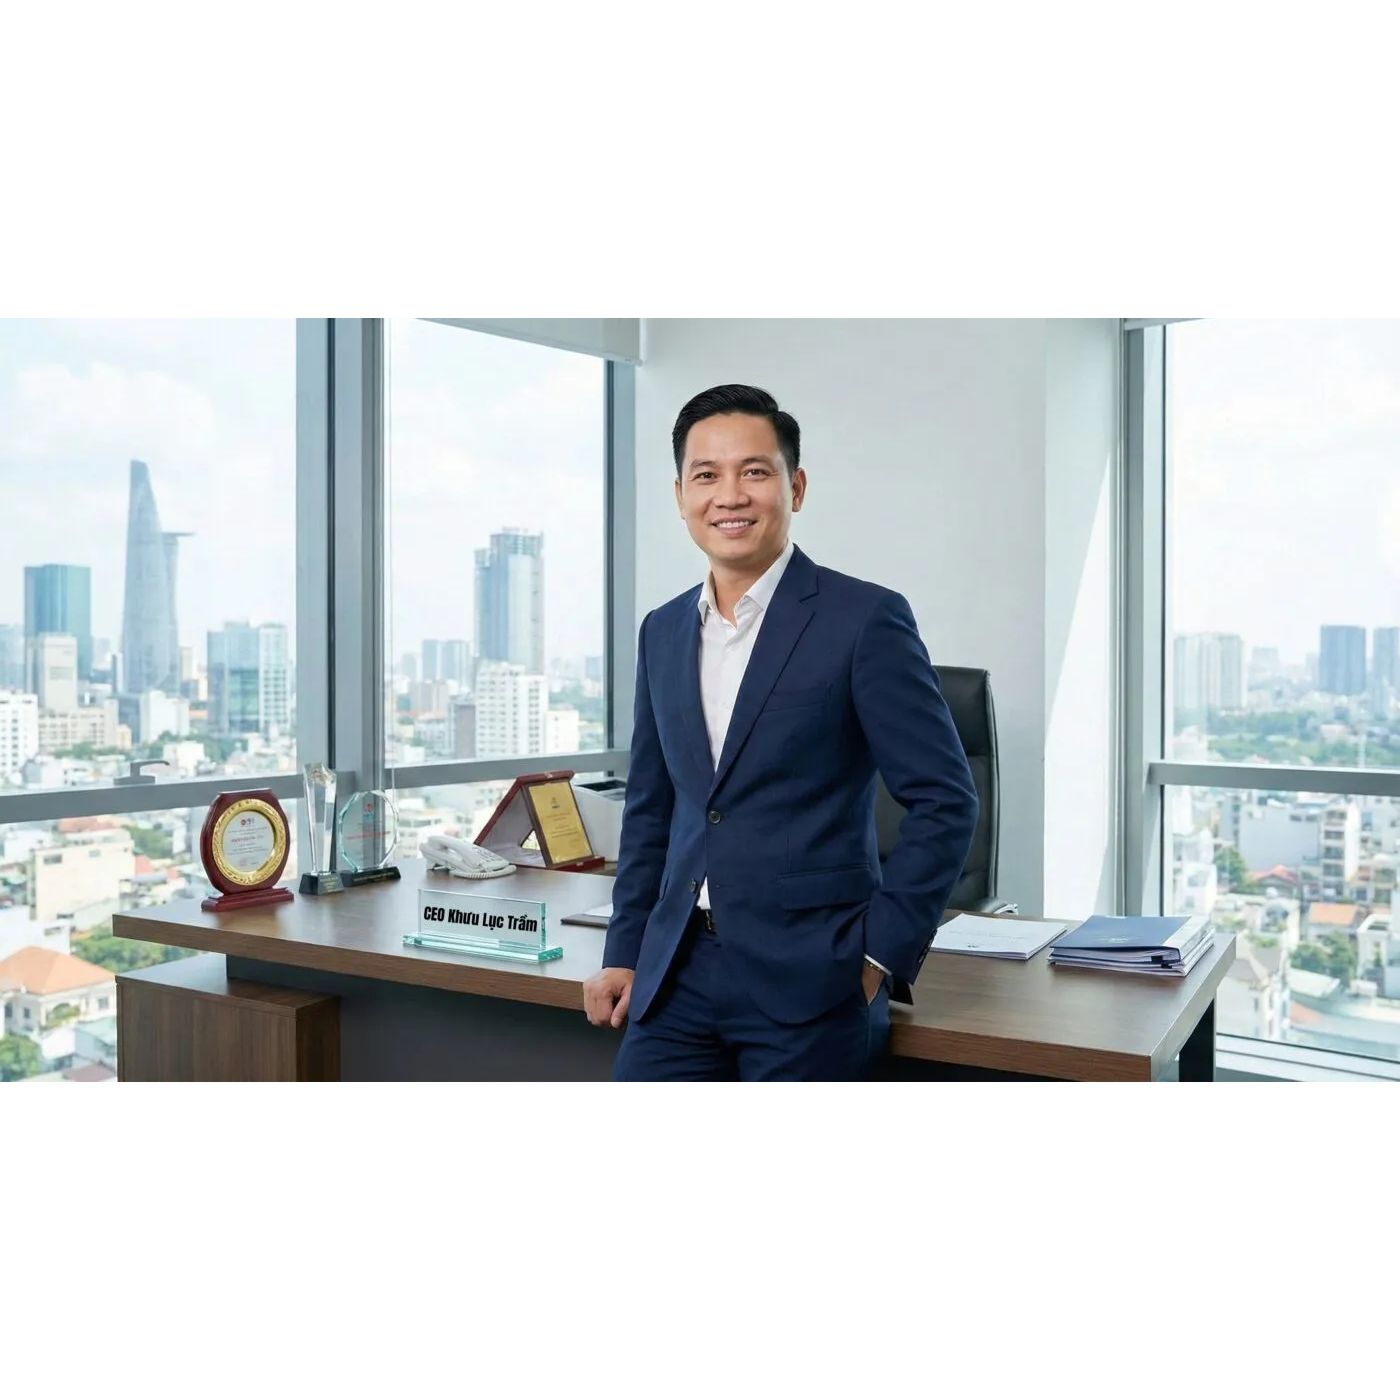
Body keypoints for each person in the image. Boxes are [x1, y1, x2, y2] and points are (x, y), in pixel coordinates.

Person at [582, 384, 978, 1080]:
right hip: (676, 974)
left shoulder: (864, 619)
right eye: (707, 475)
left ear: (795, 487)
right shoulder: (662, 631)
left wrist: (877, 955)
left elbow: (945, 800)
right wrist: (625, 951)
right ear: (680, 495)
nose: (729, 496)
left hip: (814, 980)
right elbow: (653, 807)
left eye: (755, 472)